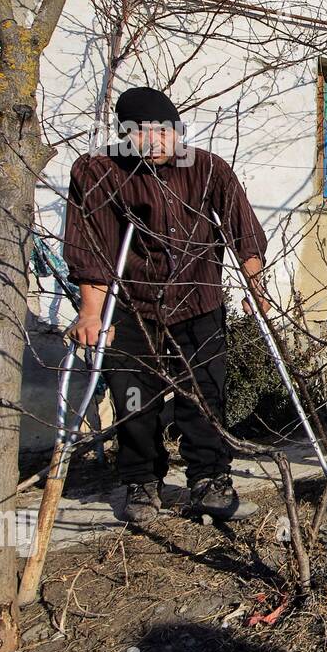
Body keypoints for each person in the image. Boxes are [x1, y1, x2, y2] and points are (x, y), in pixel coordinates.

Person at [63, 87, 269, 525]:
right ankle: (141, 482)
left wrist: (255, 287)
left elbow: (242, 230)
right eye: (140, 134)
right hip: (132, 304)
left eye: (163, 131)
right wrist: (91, 311)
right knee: (134, 399)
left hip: (198, 301)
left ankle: (210, 481)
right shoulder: (98, 171)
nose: (153, 142)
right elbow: (92, 247)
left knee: (206, 395)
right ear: (123, 135)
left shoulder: (208, 168)